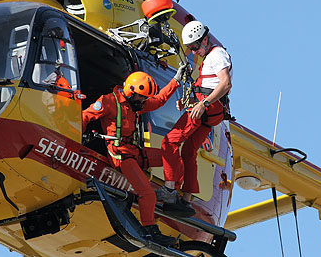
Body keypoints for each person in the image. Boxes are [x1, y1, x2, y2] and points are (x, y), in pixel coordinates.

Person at [82, 67, 185, 246]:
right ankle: (149, 230)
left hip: (134, 152)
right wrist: (78, 136)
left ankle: (170, 194)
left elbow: (159, 99)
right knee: (147, 194)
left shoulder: (136, 105)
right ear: (131, 91)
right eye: (141, 97)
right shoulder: (108, 101)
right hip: (120, 155)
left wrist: (176, 80)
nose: (144, 101)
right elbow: (85, 116)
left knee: (174, 159)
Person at [156, 20, 233, 217]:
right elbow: (210, 85)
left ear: (205, 39)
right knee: (189, 151)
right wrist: (190, 101)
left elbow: (225, 84)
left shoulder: (217, 54)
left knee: (169, 142)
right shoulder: (210, 57)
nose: (194, 52)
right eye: (191, 48)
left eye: (196, 47)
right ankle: (186, 201)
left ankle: (170, 189)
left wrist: (202, 104)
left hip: (206, 109)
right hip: (210, 112)